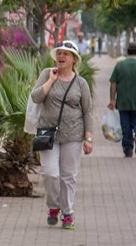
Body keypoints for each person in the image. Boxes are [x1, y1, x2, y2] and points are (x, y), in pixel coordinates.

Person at [30, 40, 94, 229]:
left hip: (73, 134)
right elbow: (36, 97)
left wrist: (88, 138)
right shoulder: (46, 74)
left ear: (74, 59)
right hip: (48, 133)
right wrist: (50, 80)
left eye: (66, 54)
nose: (61, 56)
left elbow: (87, 111)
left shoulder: (81, 83)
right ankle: (53, 206)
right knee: (50, 173)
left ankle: (67, 213)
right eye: (59, 53)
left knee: (68, 176)